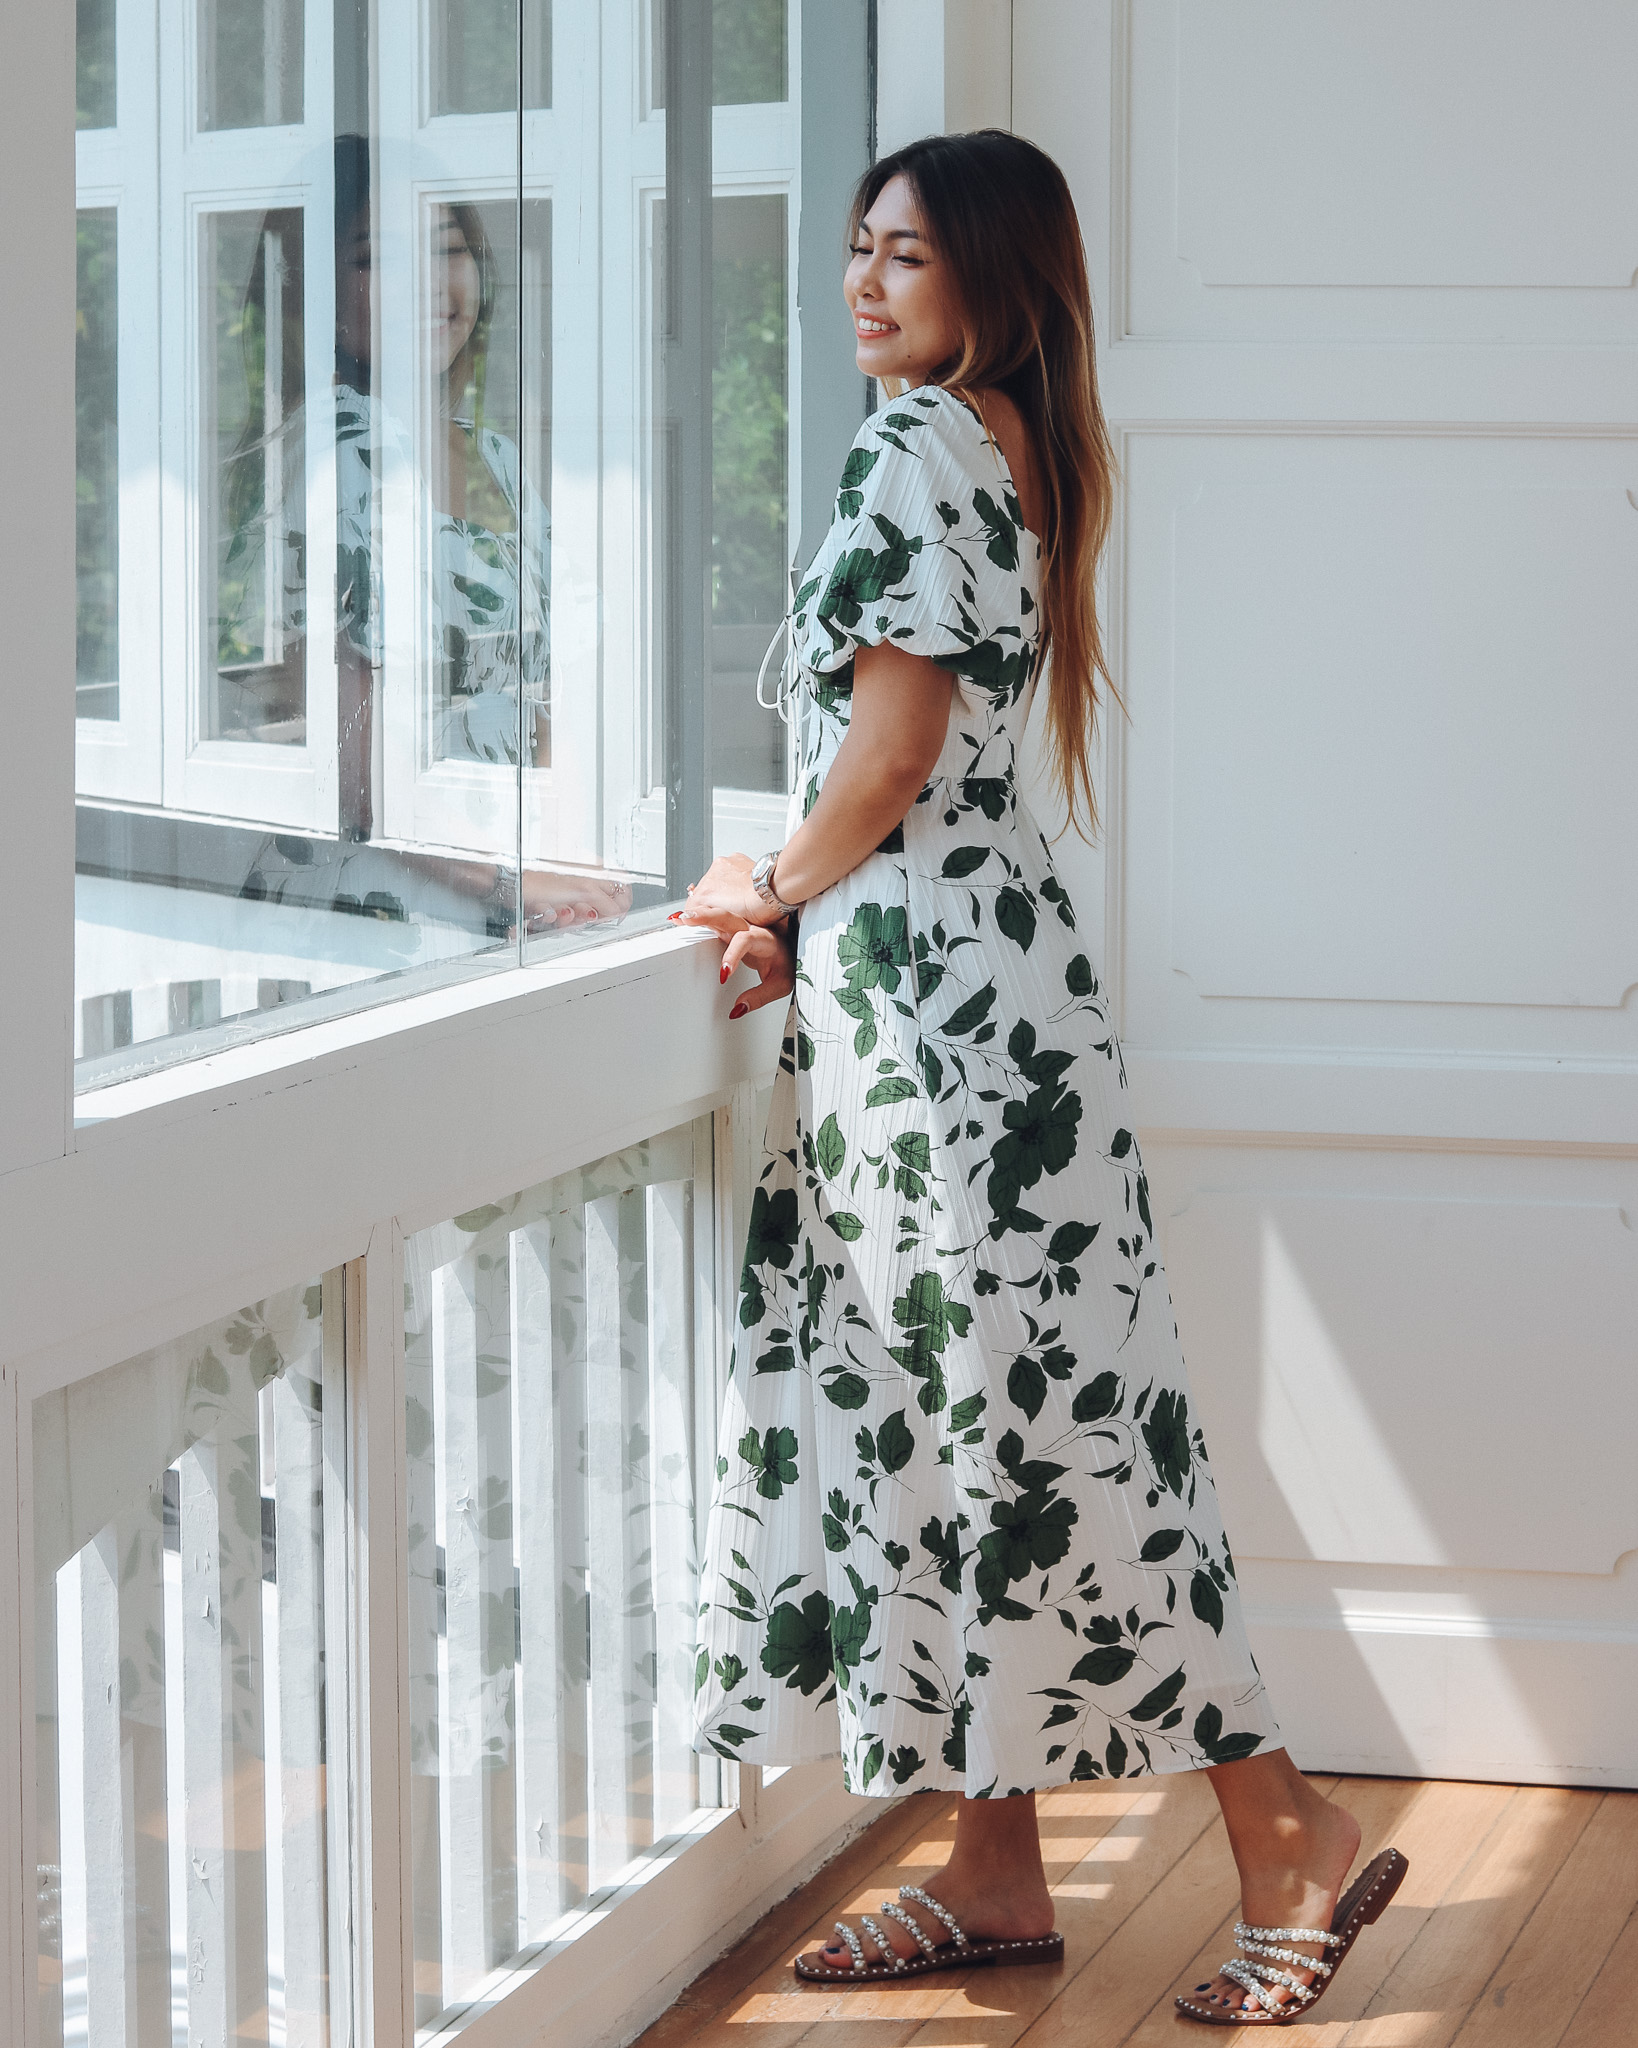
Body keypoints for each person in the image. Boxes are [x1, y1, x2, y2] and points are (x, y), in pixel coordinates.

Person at [679, 132, 1405, 2025]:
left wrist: (769, 887)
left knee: (1042, 1458)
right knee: (980, 1438)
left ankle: (1286, 1837)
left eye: (903, 255)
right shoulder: (1022, 445)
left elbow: (890, 756)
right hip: (986, 996)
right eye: (855, 251)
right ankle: (993, 1867)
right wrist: (803, 915)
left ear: (992, 275)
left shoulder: (912, 448)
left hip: (934, 1027)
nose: (862, 284)